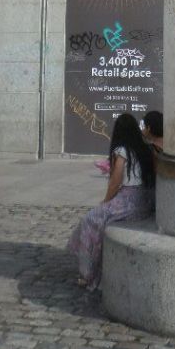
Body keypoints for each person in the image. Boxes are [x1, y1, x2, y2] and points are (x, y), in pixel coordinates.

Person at [67, 112, 155, 290]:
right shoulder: (145, 149)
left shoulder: (121, 151)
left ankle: (88, 272)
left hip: (128, 200)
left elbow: (115, 181)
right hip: (145, 200)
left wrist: (106, 201)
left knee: (91, 220)